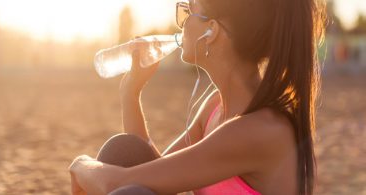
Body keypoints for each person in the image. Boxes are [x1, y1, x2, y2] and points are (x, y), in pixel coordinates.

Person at [68, 0, 326, 194]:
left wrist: (80, 165)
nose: (182, 22)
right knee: (125, 150)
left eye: (189, 10)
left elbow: (120, 182)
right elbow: (152, 170)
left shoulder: (259, 130)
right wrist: (131, 92)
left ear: (210, 31)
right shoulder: (216, 105)